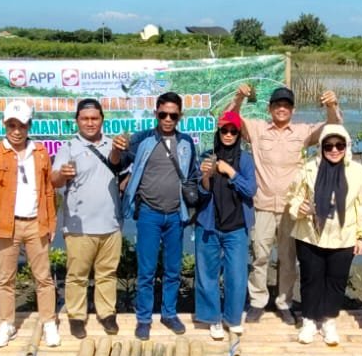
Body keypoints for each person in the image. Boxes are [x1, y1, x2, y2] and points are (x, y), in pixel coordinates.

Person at [224, 83, 342, 325]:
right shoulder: (257, 129)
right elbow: (229, 119)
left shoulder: (303, 131)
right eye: (277, 105)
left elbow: (334, 129)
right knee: (260, 255)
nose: (281, 109)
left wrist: (332, 105)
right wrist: (238, 98)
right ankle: (257, 301)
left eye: (286, 105)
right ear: (269, 109)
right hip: (262, 205)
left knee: (288, 259)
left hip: (292, 208)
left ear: (293, 109)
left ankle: (284, 302)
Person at [0, 100, 59, 348]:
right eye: (11, 125)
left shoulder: (40, 152)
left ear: (29, 126)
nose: (16, 131)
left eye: (22, 125)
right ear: (4, 125)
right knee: (6, 278)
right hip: (7, 225)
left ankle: (49, 322)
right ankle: (7, 324)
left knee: (44, 277)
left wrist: (51, 221)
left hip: (36, 223)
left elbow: (48, 190)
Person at [119, 90, 200, 341]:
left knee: (173, 269)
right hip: (149, 215)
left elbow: (194, 175)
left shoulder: (186, 143)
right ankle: (144, 318)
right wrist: (125, 179)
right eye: (163, 114)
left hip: (176, 215)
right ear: (155, 114)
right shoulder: (141, 140)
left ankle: (169, 313)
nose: (167, 119)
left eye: (172, 115)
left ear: (180, 116)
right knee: (146, 270)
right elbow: (118, 163)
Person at [286, 124, 362, 346]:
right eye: (329, 146)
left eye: (339, 145)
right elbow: (293, 197)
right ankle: (308, 320)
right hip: (310, 235)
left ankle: (328, 321)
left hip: (343, 237)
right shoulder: (308, 169)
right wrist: (299, 208)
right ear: (321, 147)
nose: (334, 150)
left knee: (336, 281)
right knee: (310, 279)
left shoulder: (357, 172)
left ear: (346, 146)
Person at [50, 98, 125, 339]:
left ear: (102, 120)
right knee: (77, 275)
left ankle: (107, 314)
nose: (90, 123)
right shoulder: (68, 148)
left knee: (107, 273)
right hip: (79, 226)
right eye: (85, 119)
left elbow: (123, 176)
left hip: (111, 224)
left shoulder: (114, 146)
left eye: (94, 118)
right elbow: (53, 181)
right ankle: (77, 317)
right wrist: (62, 174)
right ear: (77, 121)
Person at [194, 111, 257, 340]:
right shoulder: (206, 156)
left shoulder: (246, 160)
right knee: (207, 274)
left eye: (233, 131)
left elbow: (250, 190)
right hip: (209, 224)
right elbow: (200, 193)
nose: (228, 135)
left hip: (237, 226)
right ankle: (213, 319)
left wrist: (230, 172)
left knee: (237, 275)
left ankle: (232, 317)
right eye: (224, 131)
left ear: (239, 133)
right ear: (218, 132)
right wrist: (206, 177)